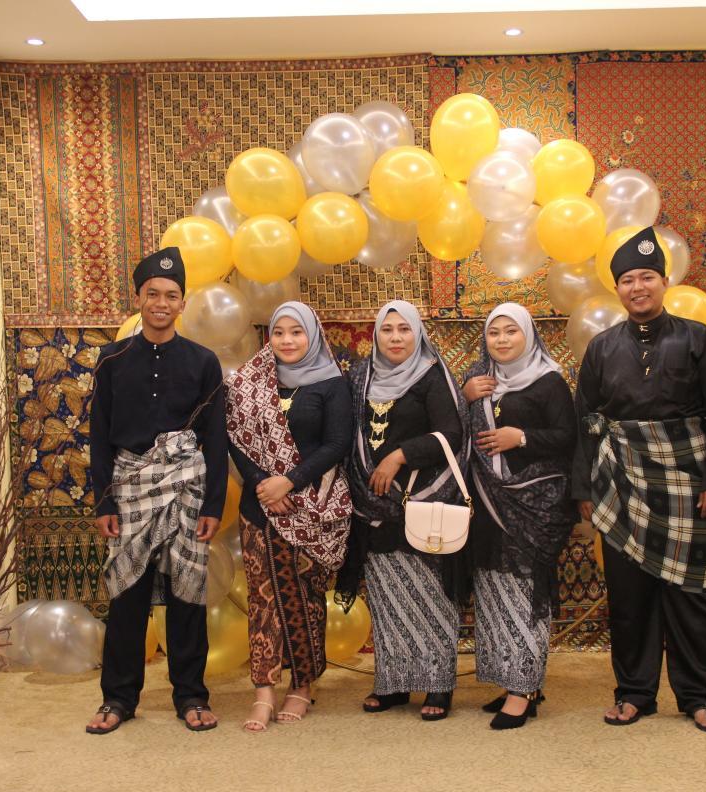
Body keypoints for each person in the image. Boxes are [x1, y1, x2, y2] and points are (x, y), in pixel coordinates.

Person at [571, 227, 706, 734]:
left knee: (690, 593)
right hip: (620, 479)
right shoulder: (602, 348)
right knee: (630, 597)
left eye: (646, 277)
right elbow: (586, 420)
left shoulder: (699, 340)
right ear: (617, 289)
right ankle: (634, 693)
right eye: (627, 280)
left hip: (688, 480)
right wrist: (584, 488)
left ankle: (698, 696)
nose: (637, 287)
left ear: (665, 282)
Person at [85, 246, 228, 735]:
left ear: (182, 303)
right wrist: (104, 499)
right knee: (127, 595)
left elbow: (215, 438)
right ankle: (118, 698)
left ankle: (191, 695)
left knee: (188, 594)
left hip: (187, 490)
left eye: (171, 295)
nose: (161, 303)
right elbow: (99, 436)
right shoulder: (112, 359)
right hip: (129, 489)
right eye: (153, 294)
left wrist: (212, 504)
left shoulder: (203, 362)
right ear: (138, 299)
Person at [335, 300, 469, 721]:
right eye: (387, 329)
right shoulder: (362, 376)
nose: (395, 338)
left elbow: (452, 434)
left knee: (430, 599)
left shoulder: (432, 375)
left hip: (421, 502)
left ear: (418, 333)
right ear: (376, 334)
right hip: (372, 508)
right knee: (386, 600)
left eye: (404, 329)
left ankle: (438, 685)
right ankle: (392, 683)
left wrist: (400, 455)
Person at [225, 301, 354, 732]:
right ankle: (263, 691)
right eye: (278, 332)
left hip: (310, 507)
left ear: (312, 334)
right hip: (259, 507)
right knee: (262, 600)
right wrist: (263, 484)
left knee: (303, 597)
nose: (286, 340)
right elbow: (235, 437)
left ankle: (302, 685)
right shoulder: (249, 381)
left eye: (296, 332)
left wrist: (290, 482)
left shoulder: (331, 383)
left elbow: (336, 444)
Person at [462, 302, 577, 730]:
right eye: (494, 333)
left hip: (536, 505)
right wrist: (465, 398)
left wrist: (521, 437)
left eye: (511, 331)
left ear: (529, 335)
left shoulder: (549, 381)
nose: (502, 339)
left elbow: (568, 437)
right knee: (495, 593)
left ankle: (523, 690)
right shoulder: (480, 381)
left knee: (525, 595)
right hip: (489, 505)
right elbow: (456, 436)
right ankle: (514, 680)